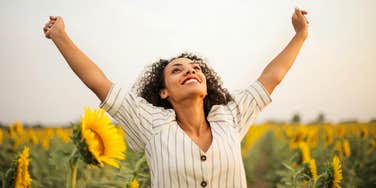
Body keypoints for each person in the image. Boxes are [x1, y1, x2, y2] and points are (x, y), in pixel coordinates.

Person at [43, 8, 309, 188]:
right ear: (164, 92)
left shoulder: (229, 116)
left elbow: (272, 77)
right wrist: (60, 36)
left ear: (206, 86)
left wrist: (300, 35)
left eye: (195, 68)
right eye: (177, 70)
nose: (190, 71)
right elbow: (98, 82)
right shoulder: (150, 124)